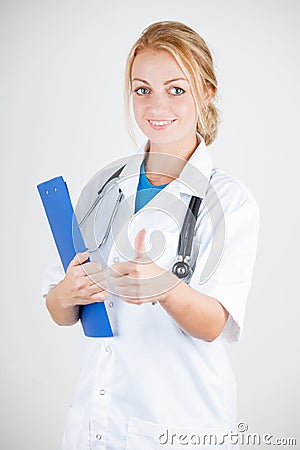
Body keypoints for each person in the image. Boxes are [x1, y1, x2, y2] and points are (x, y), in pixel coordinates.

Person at [44, 21, 259, 449]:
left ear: (207, 92)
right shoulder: (104, 189)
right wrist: (68, 292)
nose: (156, 104)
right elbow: (57, 306)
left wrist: (165, 287)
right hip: (96, 420)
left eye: (176, 89)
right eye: (142, 89)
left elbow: (216, 322)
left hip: (177, 421)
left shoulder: (231, 200)